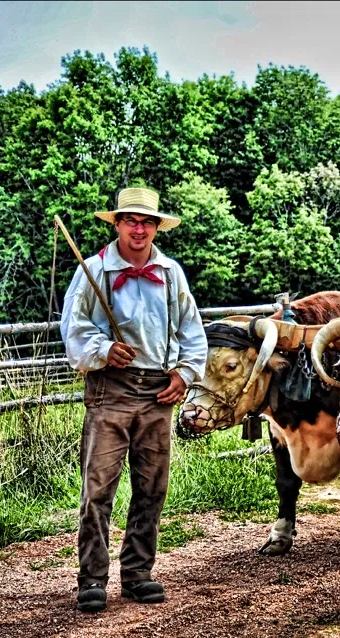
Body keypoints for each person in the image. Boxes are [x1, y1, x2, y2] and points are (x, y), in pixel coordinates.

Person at [60, 187, 208, 613]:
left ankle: (138, 573)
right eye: (131, 220)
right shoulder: (94, 271)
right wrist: (104, 350)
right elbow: (74, 328)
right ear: (118, 224)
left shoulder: (171, 273)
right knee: (99, 487)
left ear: (156, 227)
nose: (139, 229)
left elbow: (192, 332)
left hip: (159, 391)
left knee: (151, 487)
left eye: (147, 222)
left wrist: (184, 373)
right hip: (111, 390)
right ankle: (92, 578)